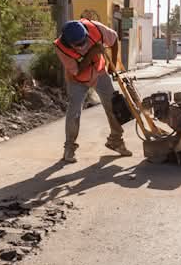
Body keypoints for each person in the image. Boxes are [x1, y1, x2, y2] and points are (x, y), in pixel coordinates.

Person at [54, 19, 132, 163]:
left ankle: (115, 141)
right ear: (70, 43)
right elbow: (77, 71)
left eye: (84, 40)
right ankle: (69, 148)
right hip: (77, 80)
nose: (83, 45)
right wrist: (91, 53)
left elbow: (114, 39)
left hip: (100, 73)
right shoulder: (61, 48)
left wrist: (112, 64)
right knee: (74, 112)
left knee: (113, 106)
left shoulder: (95, 28)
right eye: (79, 44)